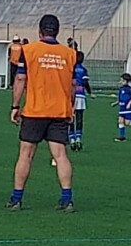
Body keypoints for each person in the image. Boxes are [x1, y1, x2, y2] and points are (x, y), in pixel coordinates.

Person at [6, 14, 76, 213]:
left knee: (26, 154)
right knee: (60, 155)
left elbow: (20, 79)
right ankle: (67, 199)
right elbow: (73, 84)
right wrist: (70, 107)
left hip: (35, 111)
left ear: (39, 31)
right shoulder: (69, 53)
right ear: (57, 31)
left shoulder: (28, 51)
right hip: (59, 111)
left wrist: (15, 106)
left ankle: (16, 199)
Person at [70, 51, 92, 151]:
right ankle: (78, 138)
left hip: (70, 95)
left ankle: (71, 139)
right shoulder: (83, 70)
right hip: (80, 95)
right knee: (79, 118)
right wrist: (90, 92)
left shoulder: (70, 68)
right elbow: (85, 83)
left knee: (70, 117)